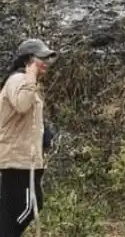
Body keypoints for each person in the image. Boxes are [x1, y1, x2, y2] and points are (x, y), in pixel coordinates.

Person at [0, 39, 57, 237]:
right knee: (23, 210)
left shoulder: (25, 83)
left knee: (25, 208)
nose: (45, 64)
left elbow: (27, 117)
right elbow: (23, 104)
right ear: (28, 61)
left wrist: (45, 135)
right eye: (41, 59)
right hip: (17, 162)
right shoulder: (18, 80)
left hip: (27, 162)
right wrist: (31, 75)